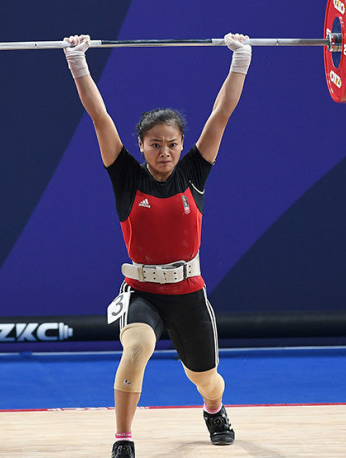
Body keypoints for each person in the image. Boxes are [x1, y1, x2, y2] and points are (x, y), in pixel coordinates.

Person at [63, 33, 251, 458]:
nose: (164, 152)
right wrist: (77, 61)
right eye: (155, 144)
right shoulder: (126, 176)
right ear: (141, 146)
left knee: (206, 378)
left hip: (188, 293)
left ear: (182, 145)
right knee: (138, 346)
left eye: (172, 144)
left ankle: (214, 408)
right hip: (143, 292)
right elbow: (99, 116)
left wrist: (241, 59)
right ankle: (123, 439)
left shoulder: (194, 174)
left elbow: (222, 114)